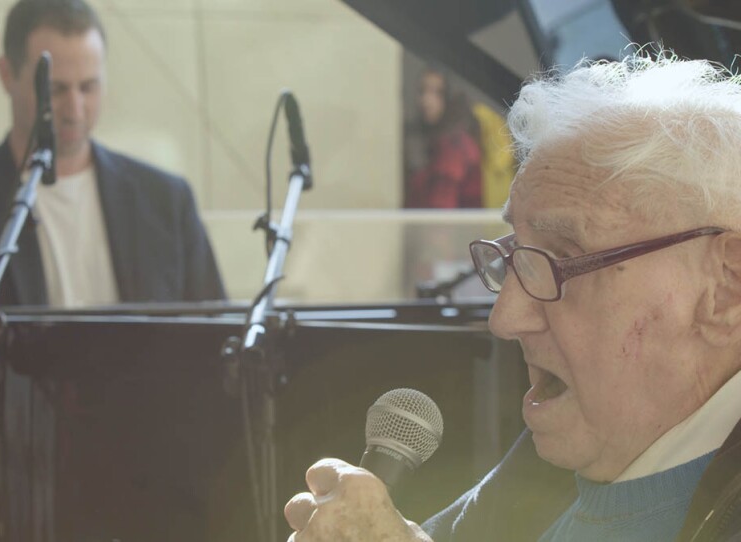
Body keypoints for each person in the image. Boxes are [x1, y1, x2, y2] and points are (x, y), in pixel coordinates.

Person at [286, 50, 741, 541]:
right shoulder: (553, 455)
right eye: (516, 258)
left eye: (563, 259)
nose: (506, 317)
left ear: (725, 288)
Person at [0, 1, 224, 541]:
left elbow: (212, 337)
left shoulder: (163, 200)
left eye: (90, 86)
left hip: (145, 482)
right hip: (9, 480)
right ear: (6, 75)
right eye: (56, 89)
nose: (75, 107)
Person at [403, 66, 483, 209]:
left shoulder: (453, 147)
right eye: (422, 91)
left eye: (437, 93)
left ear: (450, 98)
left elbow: (441, 213)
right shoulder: (442, 143)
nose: (426, 100)